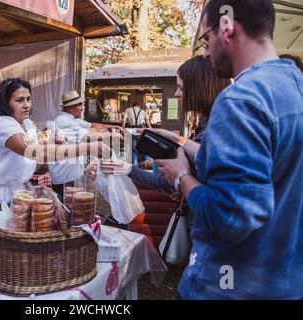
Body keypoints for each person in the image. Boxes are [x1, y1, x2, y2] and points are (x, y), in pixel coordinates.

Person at [154, 0, 303, 299]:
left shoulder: (241, 99)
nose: (206, 52)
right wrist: (188, 147)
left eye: (205, 39)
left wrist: (181, 176)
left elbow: (231, 217)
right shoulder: (295, 84)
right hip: (284, 282)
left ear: (226, 27)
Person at [0, 80, 111, 243]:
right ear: (5, 103)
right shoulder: (2, 124)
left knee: (12, 253)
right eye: (19, 100)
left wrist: (52, 146)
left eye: (28, 99)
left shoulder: (27, 125)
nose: (27, 105)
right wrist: (87, 147)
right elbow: (35, 153)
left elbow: (34, 160)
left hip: (17, 197)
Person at [100, 55, 230, 193]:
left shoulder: (214, 130)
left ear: (199, 88)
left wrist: (129, 169)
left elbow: (169, 183)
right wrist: (175, 139)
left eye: (181, 87)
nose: (176, 93)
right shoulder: (216, 123)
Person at [49, 90, 123, 198]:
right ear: (69, 108)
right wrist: (111, 135)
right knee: (70, 208)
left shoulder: (72, 119)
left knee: (76, 207)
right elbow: (87, 137)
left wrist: (111, 127)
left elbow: (91, 125)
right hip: (65, 176)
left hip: (70, 174)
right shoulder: (63, 121)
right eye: (79, 105)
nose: (82, 108)